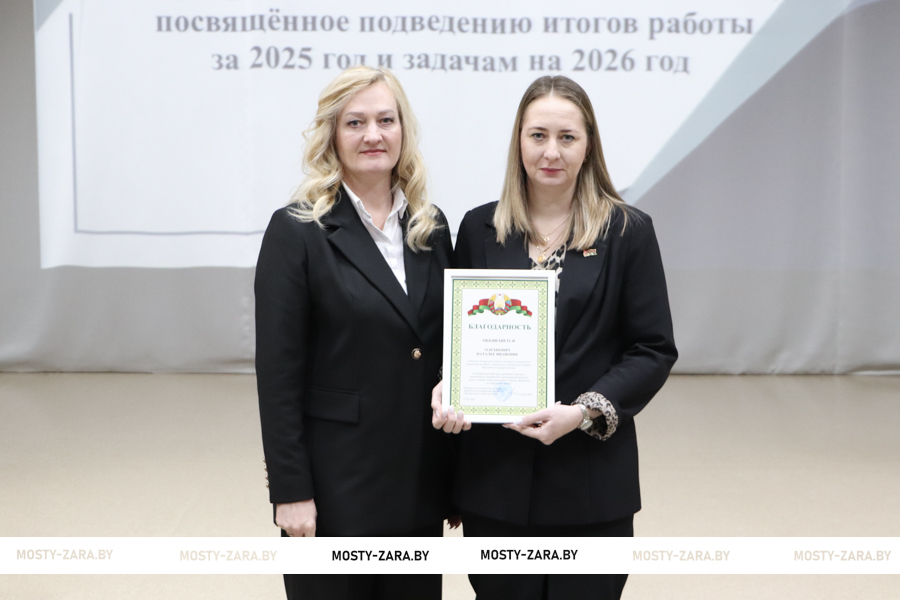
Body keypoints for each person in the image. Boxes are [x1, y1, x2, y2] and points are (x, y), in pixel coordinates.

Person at [433, 75, 677, 600]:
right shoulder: (478, 229)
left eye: (567, 137)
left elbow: (652, 349)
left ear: (589, 145)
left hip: (591, 481)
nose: (551, 152)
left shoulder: (628, 231)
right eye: (538, 135)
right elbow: (456, 341)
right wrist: (448, 383)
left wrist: (584, 411)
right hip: (495, 483)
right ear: (518, 142)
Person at [256, 66, 453, 600]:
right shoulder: (296, 230)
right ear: (332, 135)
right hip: (334, 493)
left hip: (416, 486)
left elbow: (443, 352)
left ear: (403, 130)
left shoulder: (431, 227)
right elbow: (278, 377)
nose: (373, 135)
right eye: (355, 122)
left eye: (386, 120)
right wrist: (290, 491)